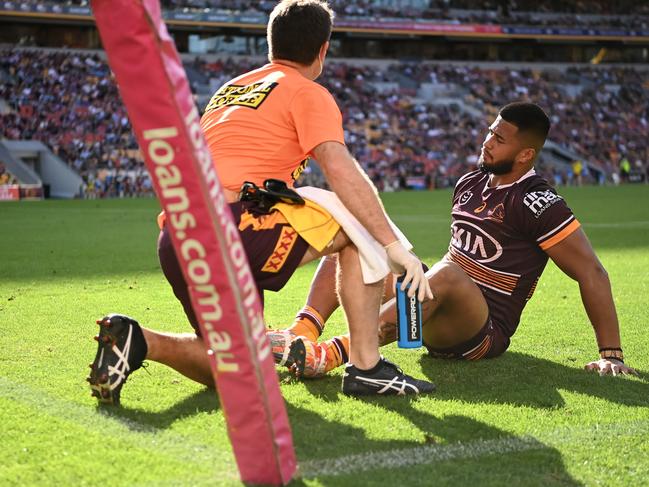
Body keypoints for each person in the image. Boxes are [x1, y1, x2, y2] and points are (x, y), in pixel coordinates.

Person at [87, 0, 434, 405]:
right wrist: (393, 246)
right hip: (235, 228)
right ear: (323, 49)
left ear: (271, 43)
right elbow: (339, 167)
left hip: (178, 238)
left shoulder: (229, 89)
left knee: (243, 368)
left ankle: (141, 341)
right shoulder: (307, 91)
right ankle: (367, 368)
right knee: (359, 226)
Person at [271, 102, 636, 379]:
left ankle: (332, 354)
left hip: (481, 331)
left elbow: (591, 271)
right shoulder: (470, 182)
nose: (487, 142)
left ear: (526, 155)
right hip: (437, 298)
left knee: (447, 274)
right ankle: (301, 331)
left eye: (499, 139)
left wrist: (611, 354)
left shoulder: (537, 201)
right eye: (490, 132)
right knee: (354, 242)